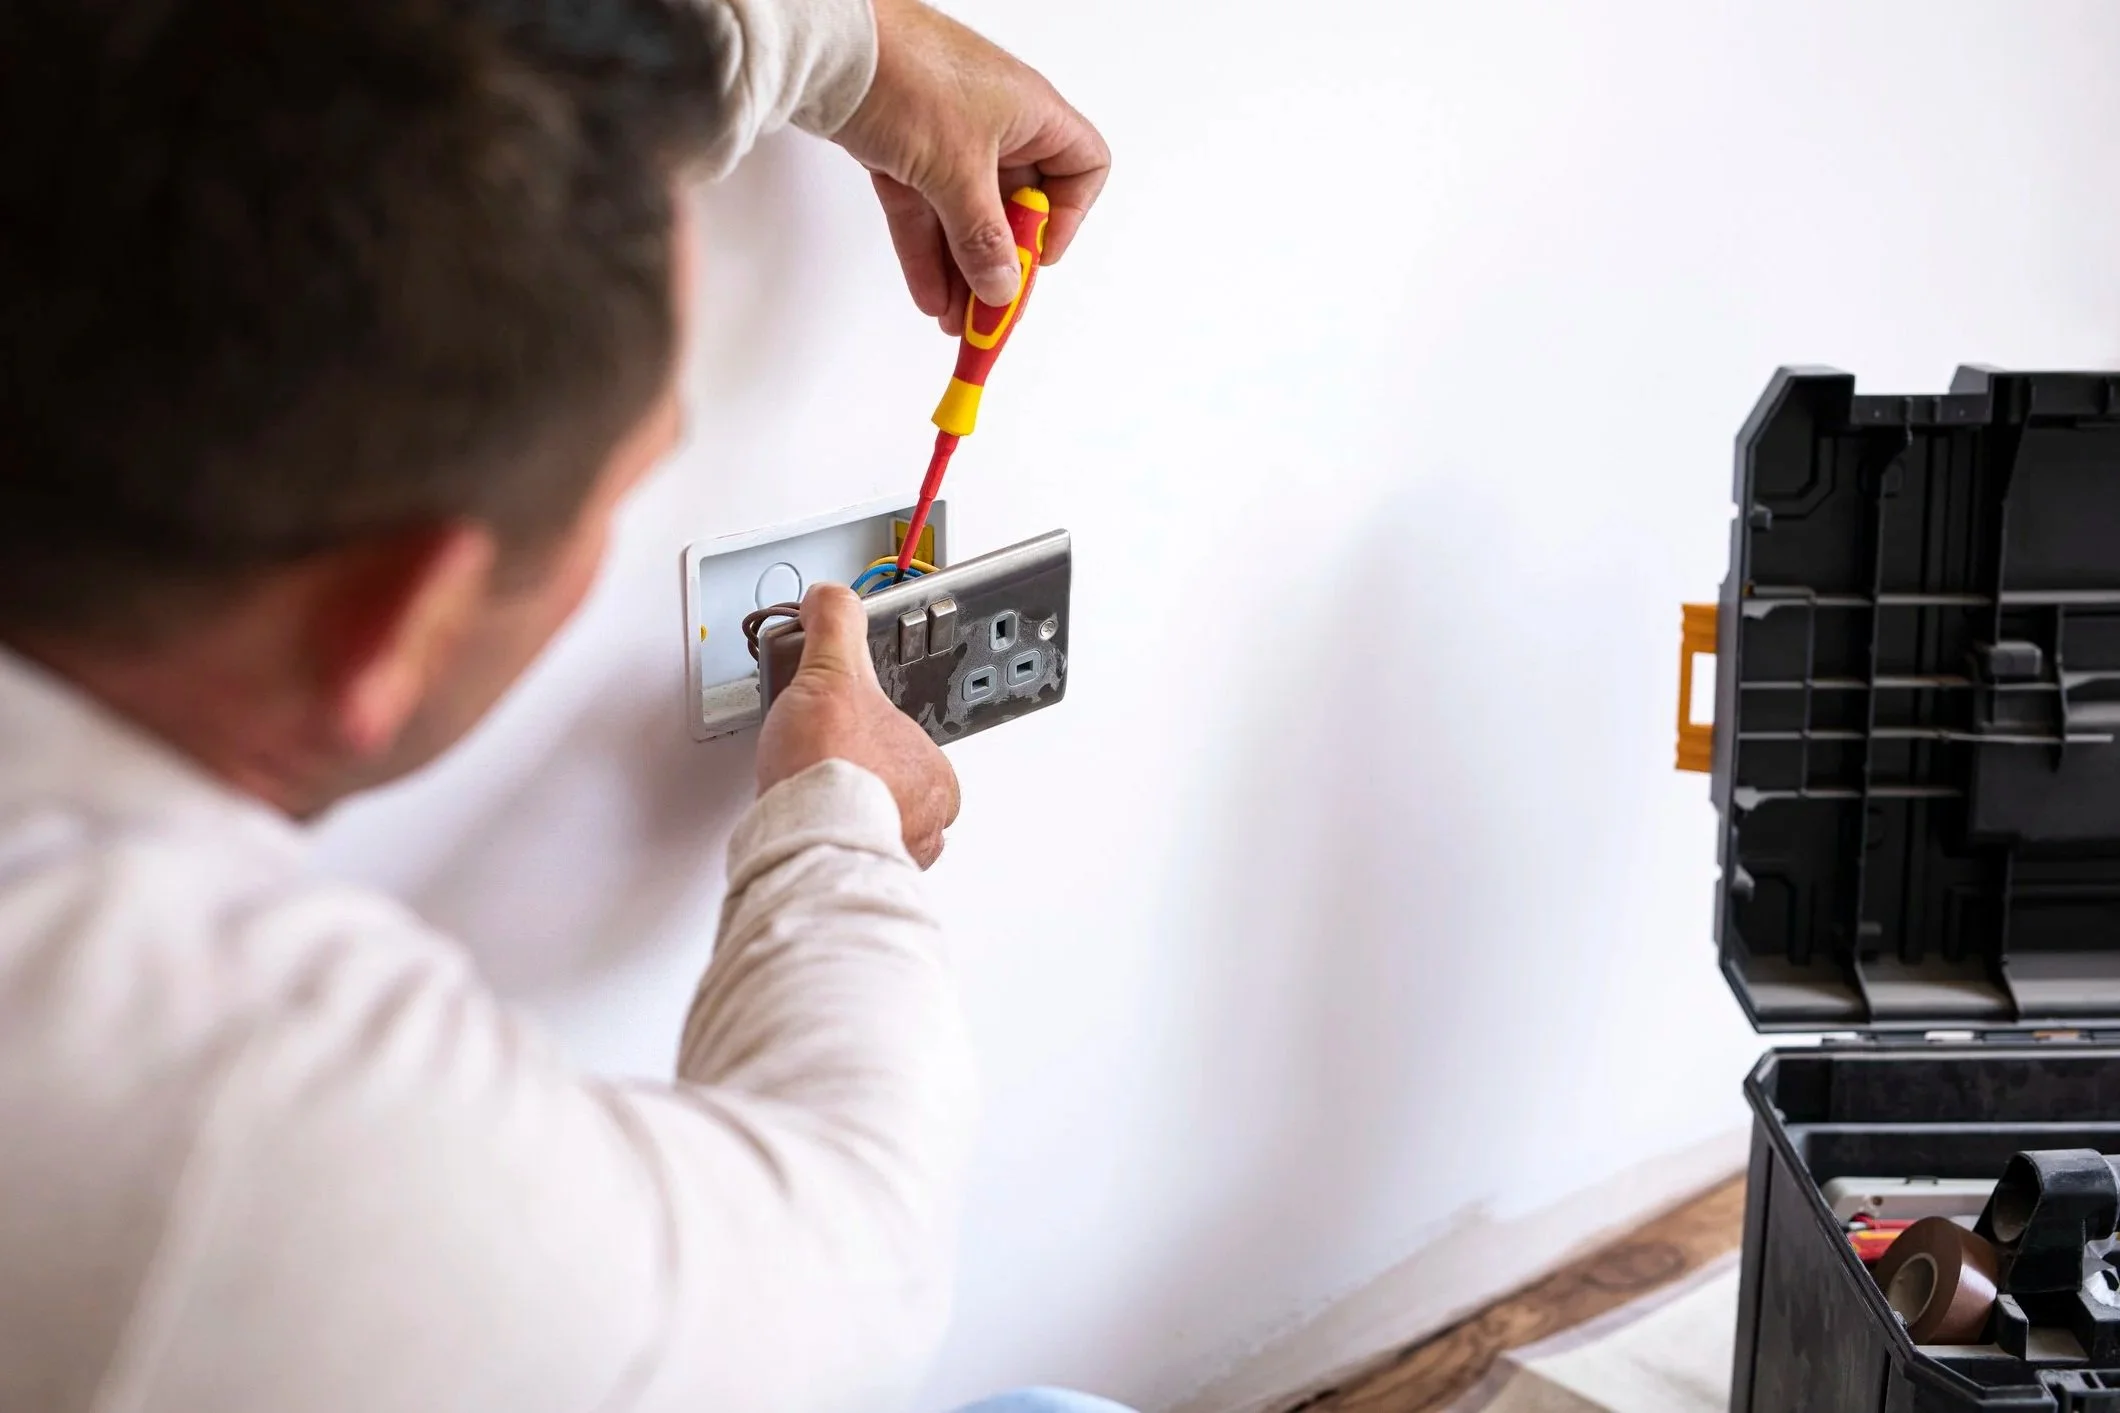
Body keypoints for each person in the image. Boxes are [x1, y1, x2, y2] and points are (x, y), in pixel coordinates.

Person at [0, 0, 1119, 1409]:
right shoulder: (220, 1121)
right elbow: (849, 1278)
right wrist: (842, 834)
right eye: (620, 487)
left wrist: (850, 48)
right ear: (396, 626)